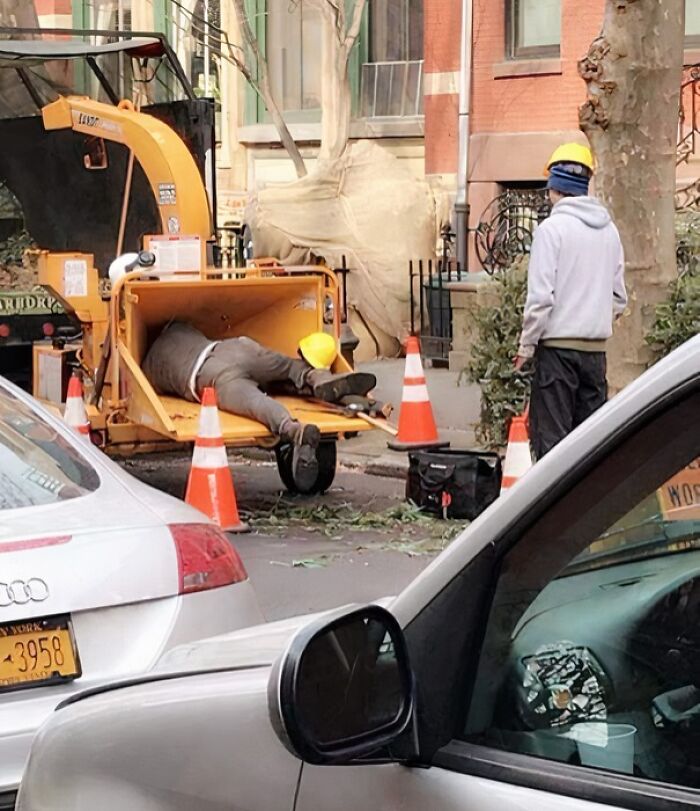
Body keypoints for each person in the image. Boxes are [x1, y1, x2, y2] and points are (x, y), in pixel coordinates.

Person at [142, 322, 376, 489]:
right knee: (288, 369)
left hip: (208, 376)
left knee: (256, 403)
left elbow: (147, 388)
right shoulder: (177, 326)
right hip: (231, 348)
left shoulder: (150, 366)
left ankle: (292, 429)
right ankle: (318, 379)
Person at [514, 143, 627, 459]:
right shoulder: (610, 232)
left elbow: (540, 299)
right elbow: (619, 297)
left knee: (553, 450)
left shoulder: (551, 231)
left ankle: (556, 509)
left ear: (554, 186)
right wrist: (594, 318)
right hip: (595, 355)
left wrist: (526, 348)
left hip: (557, 355)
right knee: (590, 449)